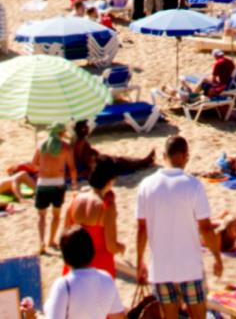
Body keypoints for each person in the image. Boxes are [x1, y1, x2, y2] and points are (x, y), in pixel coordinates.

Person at [134, 135, 222, 319]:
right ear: (184, 156)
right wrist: (216, 256)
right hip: (189, 267)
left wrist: (140, 260)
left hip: (161, 268)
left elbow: (142, 229)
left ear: (164, 155)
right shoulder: (193, 185)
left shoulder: (146, 185)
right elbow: (206, 228)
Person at [21, 229, 125, 319]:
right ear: (91, 251)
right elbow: (119, 317)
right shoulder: (106, 279)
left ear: (65, 258)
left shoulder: (64, 285)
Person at [61, 164, 122, 275]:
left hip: (74, 266)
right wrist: (121, 248)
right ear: (109, 182)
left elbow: (65, 235)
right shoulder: (106, 207)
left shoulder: (75, 200)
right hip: (99, 267)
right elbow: (111, 246)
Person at [33, 125, 78, 254]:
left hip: (42, 183)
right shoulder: (66, 147)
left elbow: (34, 163)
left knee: (41, 216)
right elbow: (72, 168)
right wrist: (74, 184)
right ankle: (51, 240)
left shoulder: (41, 145)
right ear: (62, 133)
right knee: (56, 214)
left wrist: (44, 167)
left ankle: (41, 242)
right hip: (58, 183)